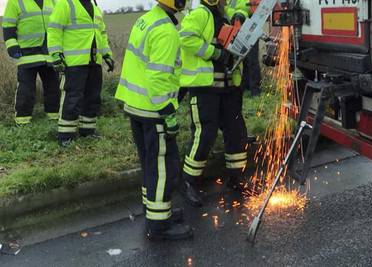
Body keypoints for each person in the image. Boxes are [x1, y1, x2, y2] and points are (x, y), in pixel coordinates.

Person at [115, 0, 193, 240]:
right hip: (154, 111)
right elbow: (158, 77)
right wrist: (168, 113)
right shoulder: (166, 31)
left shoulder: (147, 19)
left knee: (150, 163)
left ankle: (156, 212)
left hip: (137, 107)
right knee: (162, 168)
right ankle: (160, 226)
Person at [179, 0, 248, 207]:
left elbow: (242, 8)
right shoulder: (201, 14)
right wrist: (215, 53)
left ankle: (236, 178)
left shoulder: (226, 13)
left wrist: (241, 16)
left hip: (228, 87)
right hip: (205, 88)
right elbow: (186, 38)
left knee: (236, 132)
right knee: (205, 134)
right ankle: (188, 181)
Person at [47, 0, 114, 146]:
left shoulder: (95, 7)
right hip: (73, 62)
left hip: (94, 61)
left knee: (93, 97)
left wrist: (107, 54)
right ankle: (65, 136)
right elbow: (54, 30)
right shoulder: (65, 4)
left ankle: (88, 132)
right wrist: (56, 54)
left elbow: (101, 33)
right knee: (73, 97)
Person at [2, 0, 60, 125]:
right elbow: (8, 27)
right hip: (26, 54)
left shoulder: (53, 1)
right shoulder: (15, 2)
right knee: (26, 89)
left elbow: (58, 24)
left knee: (54, 86)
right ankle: (22, 120)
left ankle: (54, 116)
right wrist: (12, 45)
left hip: (49, 53)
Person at [228, 0, 262, 97]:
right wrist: (237, 16)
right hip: (238, 24)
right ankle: (246, 85)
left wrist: (243, 14)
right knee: (244, 58)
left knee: (252, 59)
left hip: (252, 24)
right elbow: (227, 9)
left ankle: (255, 88)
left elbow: (257, 8)